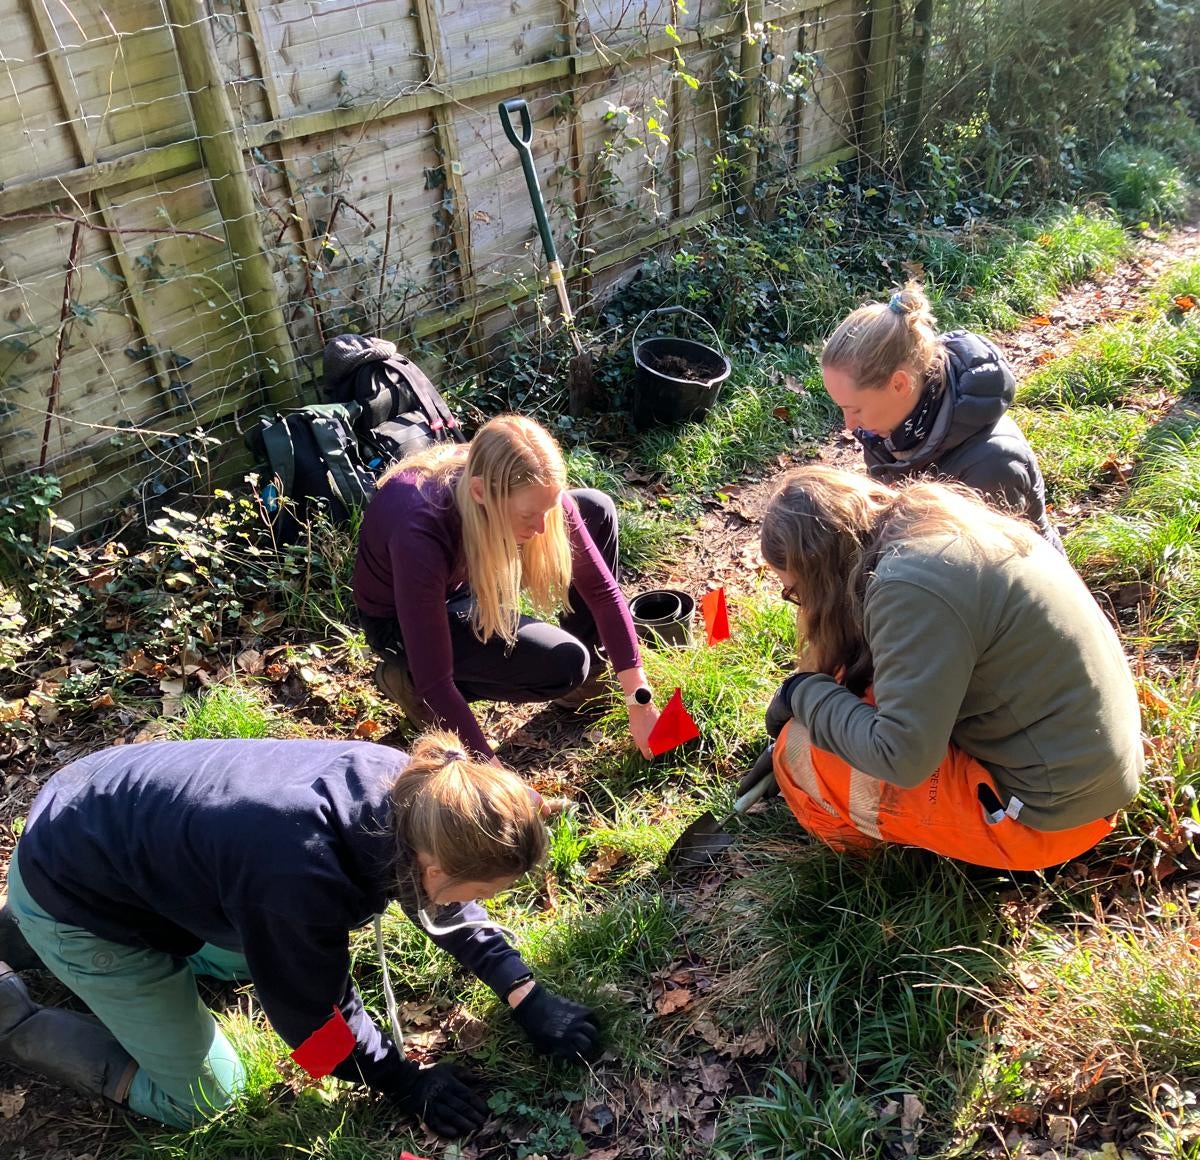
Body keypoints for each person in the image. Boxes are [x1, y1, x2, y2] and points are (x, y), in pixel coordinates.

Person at [0, 733, 601, 1137]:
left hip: (106, 815)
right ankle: (18, 1014)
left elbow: (440, 900)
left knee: (259, 954)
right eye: (486, 892)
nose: (488, 905)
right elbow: (311, 1024)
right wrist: (399, 1080)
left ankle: (27, 929)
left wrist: (523, 992)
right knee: (209, 1097)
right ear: (436, 867)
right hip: (78, 891)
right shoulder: (296, 877)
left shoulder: (418, 788)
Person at [739, 468, 1143, 870]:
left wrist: (800, 695)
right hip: (1091, 778)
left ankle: (869, 860)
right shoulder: (929, 530)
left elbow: (900, 758)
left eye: (795, 592)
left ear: (820, 575)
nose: (801, 604)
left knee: (800, 751)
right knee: (847, 691)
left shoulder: (904, 590)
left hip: (1047, 821)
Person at [353, 413, 660, 760]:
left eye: (546, 510)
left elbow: (603, 593)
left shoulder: (514, 484)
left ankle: (586, 686)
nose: (543, 528)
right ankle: (407, 684)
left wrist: (639, 700)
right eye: (529, 516)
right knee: (564, 664)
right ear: (481, 492)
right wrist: (499, 780)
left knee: (595, 509)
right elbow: (436, 681)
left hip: (464, 577)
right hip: (402, 622)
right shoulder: (419, 531)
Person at [821, 282, 1060, 548]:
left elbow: (983, 576)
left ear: (900, 384)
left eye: (855, 409)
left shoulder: (992, 464)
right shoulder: (891, 433)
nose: (849, 425)